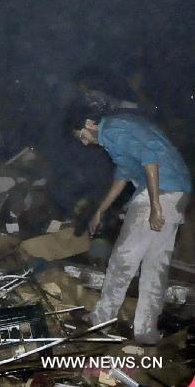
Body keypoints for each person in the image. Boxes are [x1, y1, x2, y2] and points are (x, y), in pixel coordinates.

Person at [67, 102, 191, 345]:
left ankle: (101, 319)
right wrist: (99, 212)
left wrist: (155, 206)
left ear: (90, 124)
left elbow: (150, 159)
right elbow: (124, 173)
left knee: (123, 259)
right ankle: (146, 331)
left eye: (81, 135)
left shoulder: (114, 129)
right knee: (156, 264)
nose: (83, 142)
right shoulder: (118, 134)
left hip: (160, 192)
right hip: (178, 192)